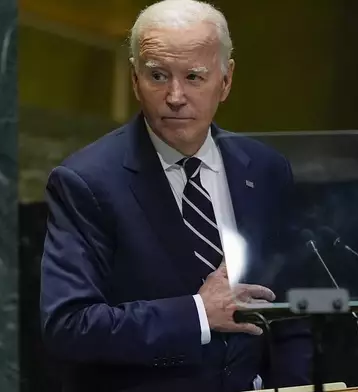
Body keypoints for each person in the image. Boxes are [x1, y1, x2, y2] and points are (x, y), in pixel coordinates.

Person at [39, 0, 311, 391]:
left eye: (194, 77)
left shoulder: (266, 169)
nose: (175, 96)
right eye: (157, 75)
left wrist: (292, 387)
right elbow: (69, 326)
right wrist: (199, 313)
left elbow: (292, 311)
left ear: (226, 80)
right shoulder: (86, 182)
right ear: (135, 80)